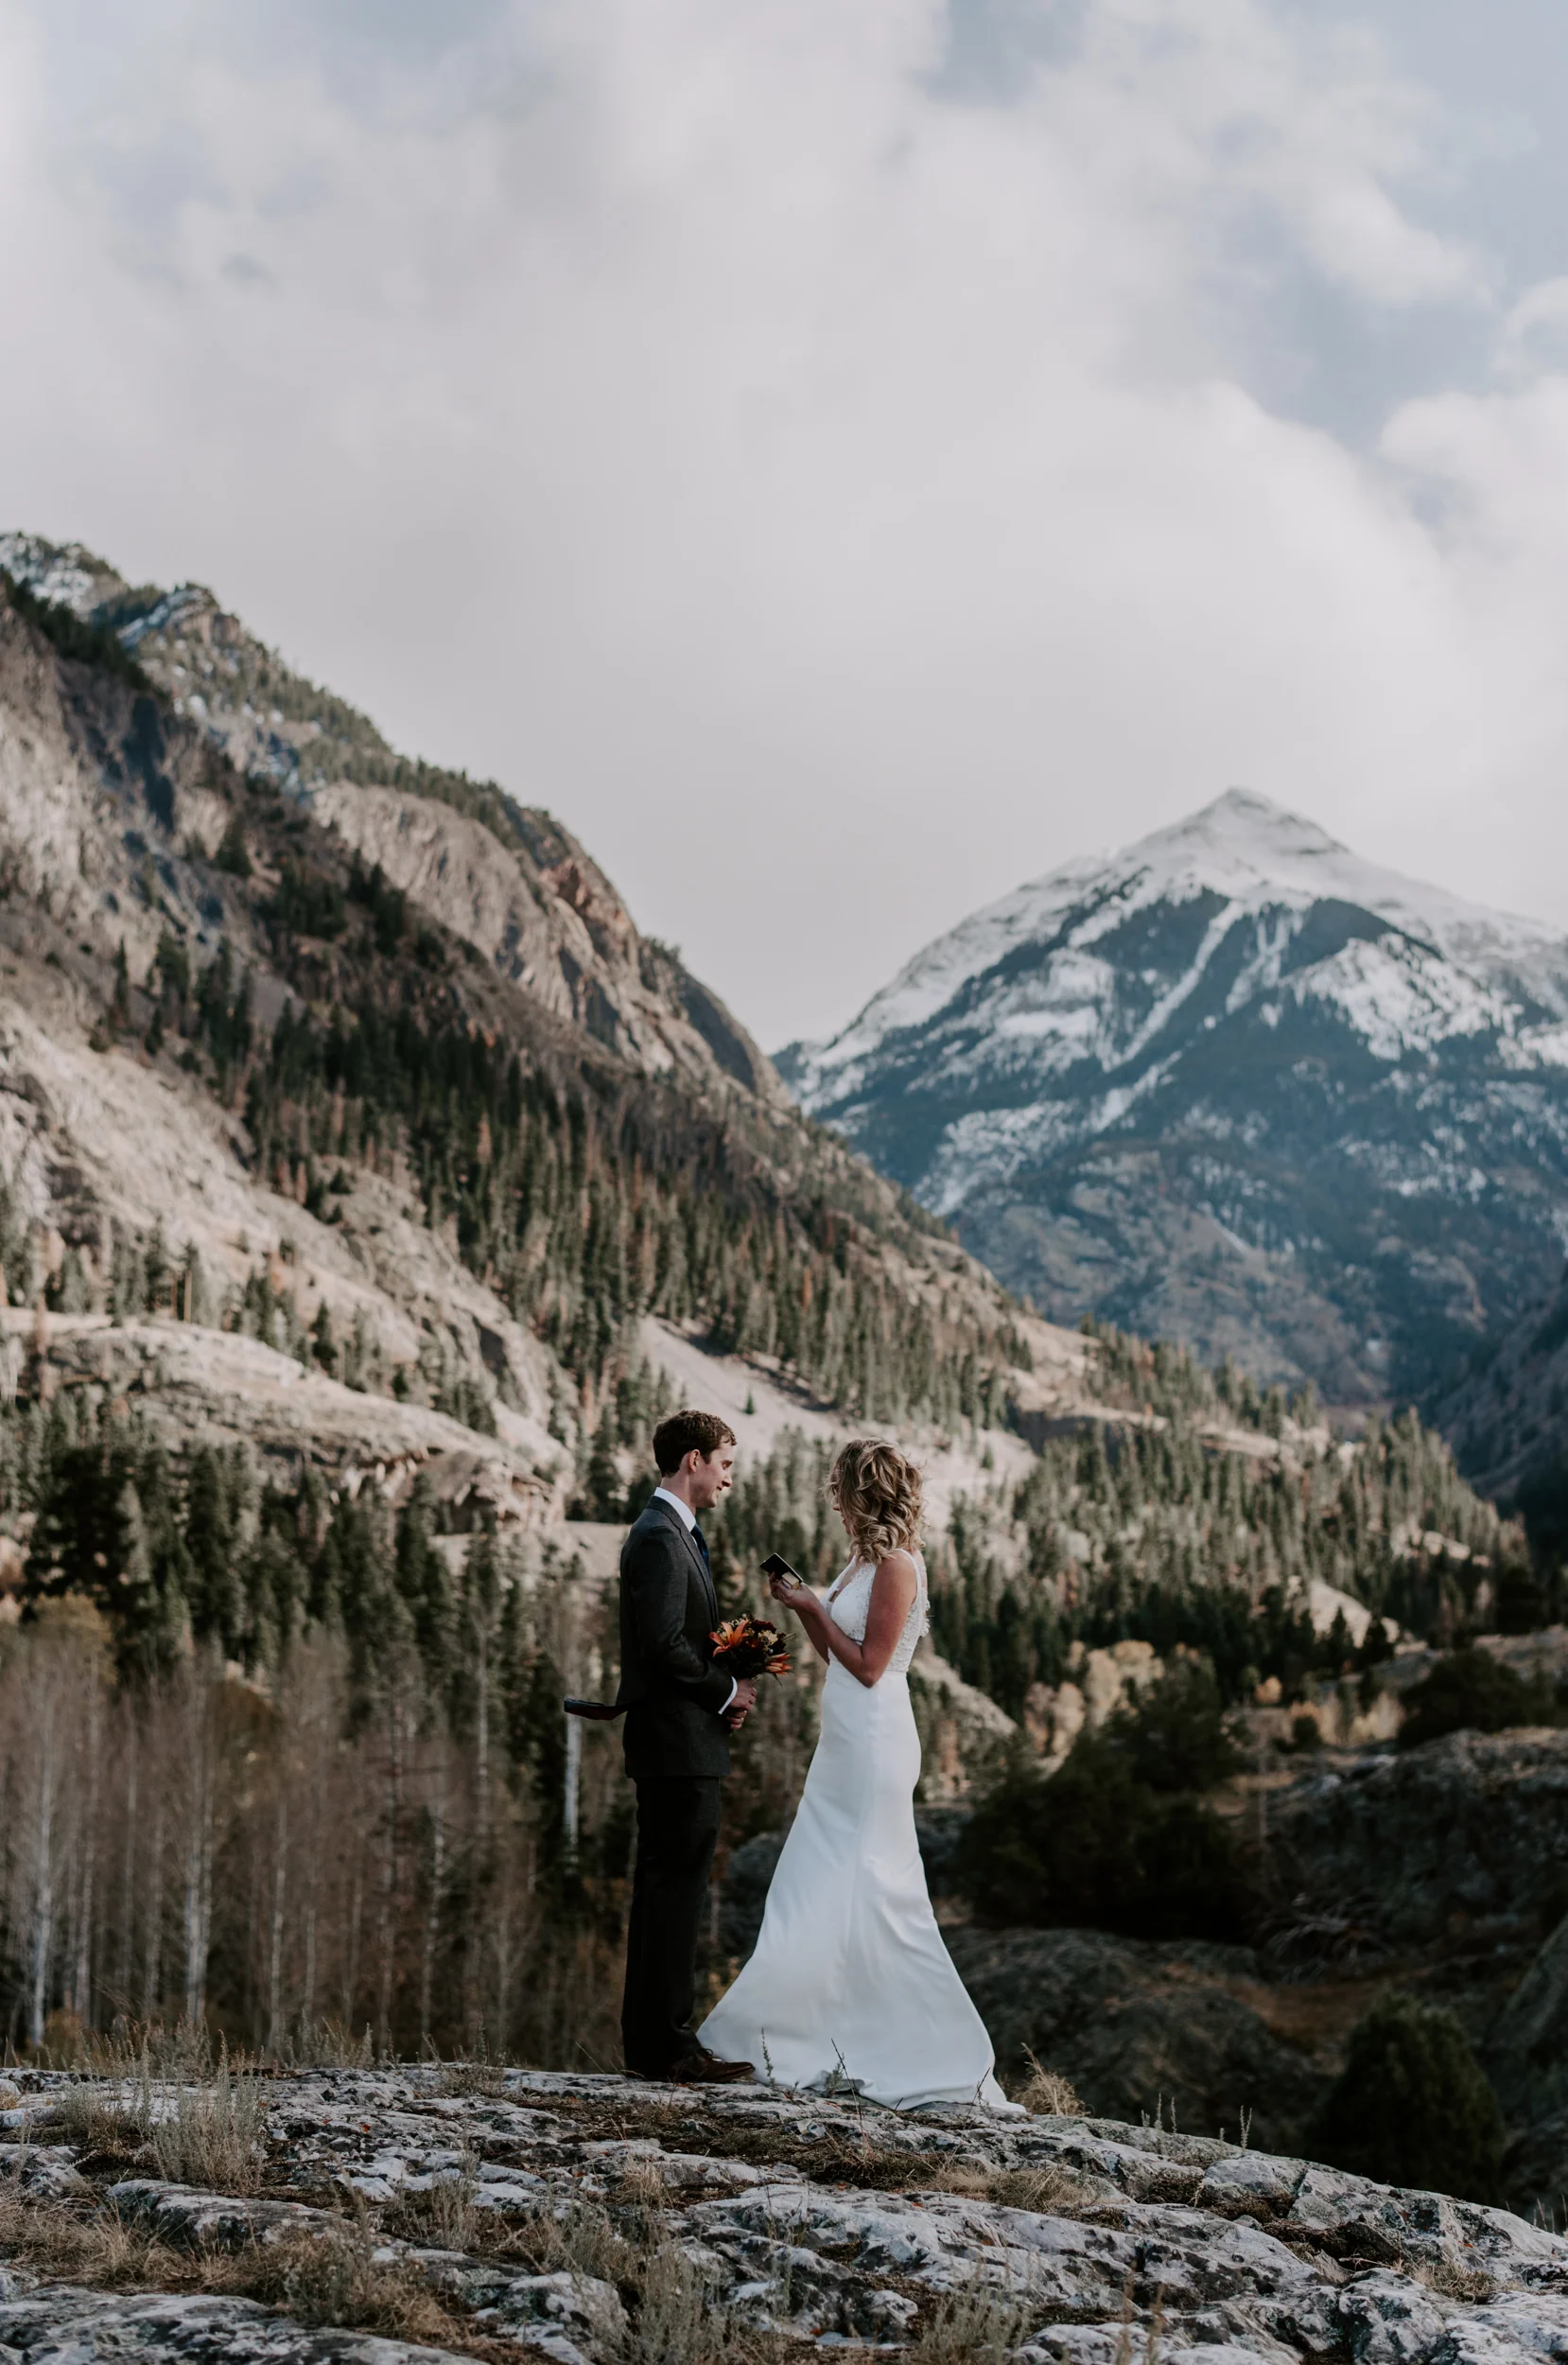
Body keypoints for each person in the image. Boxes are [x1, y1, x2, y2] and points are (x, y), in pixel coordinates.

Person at [699, 1437, 1020, 2111]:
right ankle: (811, 2032)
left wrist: (816, 1608)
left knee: (874, 1885)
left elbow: (873, 1666)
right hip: (844, 1735)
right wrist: (806, 1609)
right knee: (816, 1882)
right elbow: (835, 1657)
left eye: (840, 1491)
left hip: (876, 1738)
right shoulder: (859, 1562)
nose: (835, 1503)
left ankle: (922, 2047)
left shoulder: (899, 1566)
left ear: (862, 1495)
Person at [617, 1409, 758, 2083]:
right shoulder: (657, 1537)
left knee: (669, 1893)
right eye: (725, 1464)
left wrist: (738, 1661)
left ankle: (658, 2043)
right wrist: (725, 1693)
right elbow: (662, 1645)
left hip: (684, 1741)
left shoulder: (676, 1534)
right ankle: (666, 2049)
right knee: (673, 1895)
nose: (729, 1478)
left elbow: (682, 1638)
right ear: (694, 1461)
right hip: (675, 1746)